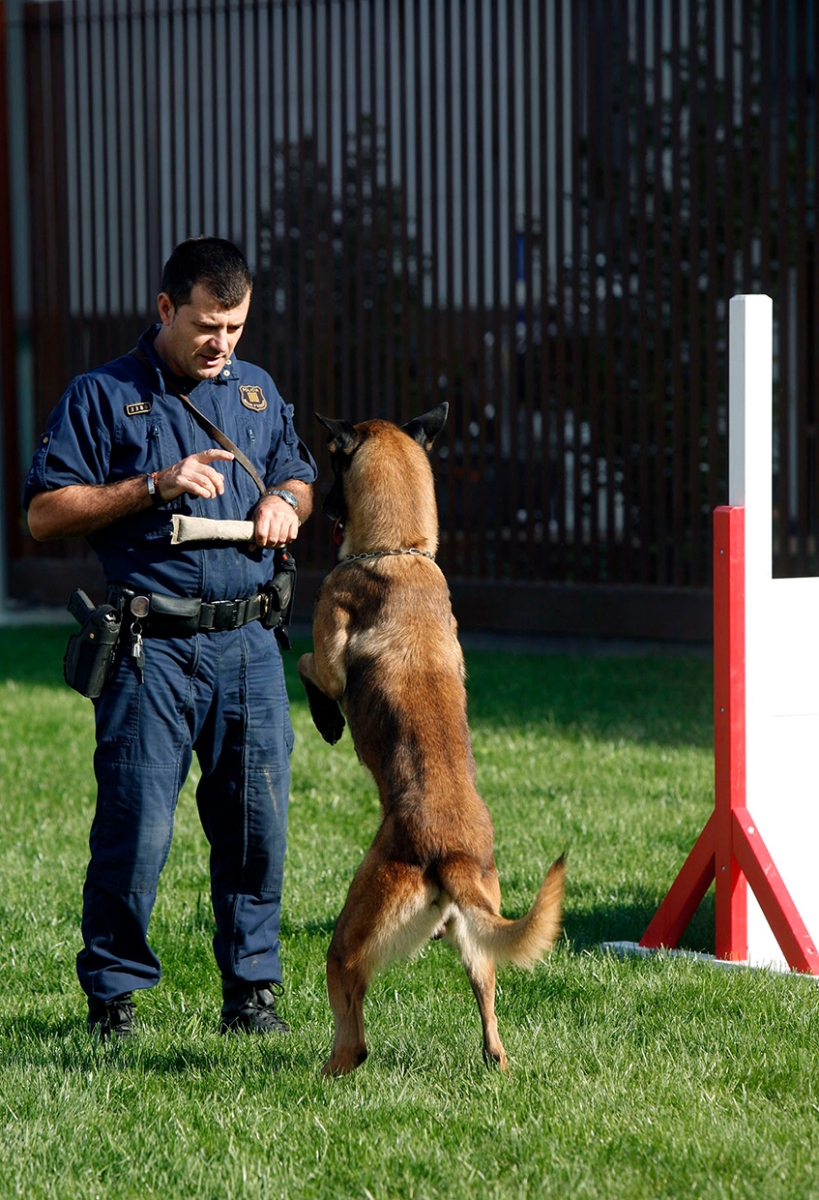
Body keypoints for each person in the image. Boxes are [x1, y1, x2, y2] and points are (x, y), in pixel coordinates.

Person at [23, 237, 316, 1039]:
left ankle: (250, 996)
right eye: (206, 325)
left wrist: (285, 503)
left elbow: (298, 472)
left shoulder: (256, 393)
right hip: (151, 648)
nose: (221, 343)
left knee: (259, 830)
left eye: (235, 327)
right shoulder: (102, 395)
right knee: (136, 829)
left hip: (249, 646)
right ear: (165, 310)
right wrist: (154, 485)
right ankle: (112, 1001)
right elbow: (45, 514)